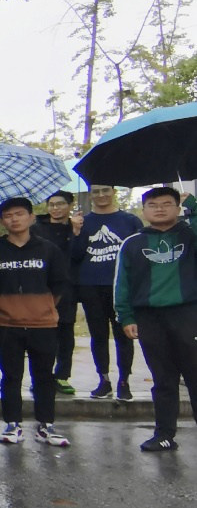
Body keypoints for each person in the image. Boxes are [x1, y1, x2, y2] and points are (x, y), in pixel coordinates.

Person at [0, 198, 72, 447]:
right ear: (2, 221)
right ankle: (13, 424)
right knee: (11, 376)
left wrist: (42, 307)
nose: (14, 219)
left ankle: (46, 425)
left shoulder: (48, 249)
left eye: (20, 214)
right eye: (8, 215)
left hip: (43, 324)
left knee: (44, 376)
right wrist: (1, 308)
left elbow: (59, 284)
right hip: (7, 324)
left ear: (31, 217)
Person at [114, 187, 197, 452]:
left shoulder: (190, 235)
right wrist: (126, 316)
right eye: (153, 204)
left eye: (166, 204)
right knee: (163, 378)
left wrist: (193, 205)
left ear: (177, 208)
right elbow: (122, 283)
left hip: (188, 314)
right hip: (149, 317)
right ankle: (164, 434)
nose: (159, 209)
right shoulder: (133, 243)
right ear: (144, 210)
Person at [72, 184, 141, 400]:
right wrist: (75, 231)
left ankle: (124, 381)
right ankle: (104, 379)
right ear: (90, 195)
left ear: (113, 192)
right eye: (96, 191)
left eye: (105, 190)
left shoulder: (130, 221)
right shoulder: (82, 222)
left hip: (121, 287)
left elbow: (138, 255)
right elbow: (74, 256)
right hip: (90, 285)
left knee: (124, 334)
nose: (101, 195)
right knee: (98, 335)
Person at [35, 190, 80, 394]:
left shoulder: (76, 227)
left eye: (60, 204)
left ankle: (62, 376)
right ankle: (42, 377)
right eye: (52, 204)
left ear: (70, 206)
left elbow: (78, 255)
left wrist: (75, 233)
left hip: (68, 288)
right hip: (42, 288)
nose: (56, 208)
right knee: (43, 336)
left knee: (65, 334)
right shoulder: (37, 228)